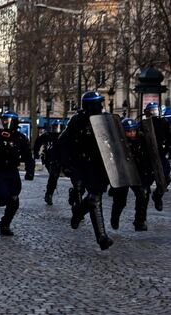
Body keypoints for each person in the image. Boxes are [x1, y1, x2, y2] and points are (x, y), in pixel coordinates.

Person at [59, 91, 113, 250]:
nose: (99, 106)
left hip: (99, 165)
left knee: (94, 197)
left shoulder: (105, 119)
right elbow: (64, 142)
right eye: (97, 104)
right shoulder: (77, 121)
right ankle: (101, 237)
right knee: (93, 198)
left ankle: (78, 212)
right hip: (81, 164)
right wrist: (65, 164)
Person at [110, 118, 151, 231]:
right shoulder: (118, 142)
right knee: (120, 201)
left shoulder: (142, 140)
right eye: (129, 131)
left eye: (134, 131)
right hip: (123, 174)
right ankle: (115, 217)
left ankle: (140, 221)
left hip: (137, 174)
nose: (132, 133)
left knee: (143, 195)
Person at [142, 102, 170, 211]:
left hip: (161, 156)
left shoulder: (164, 124)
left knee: (166, 178)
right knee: (145, 187)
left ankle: (157, 196)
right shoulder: (142, 125)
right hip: (147, 158)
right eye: (151, 111)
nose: (153, 113)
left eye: (155, 111)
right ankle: (140, 218)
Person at [34, 124, 62, 205]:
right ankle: (49, 194)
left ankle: (49, 194)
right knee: (53, 176)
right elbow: (38, 142)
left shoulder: (64, 136)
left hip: (60, 159)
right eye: (55, 127)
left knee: (54, 176)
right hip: (49, 159)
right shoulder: (47, 136)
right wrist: (36, 153)